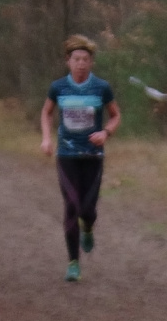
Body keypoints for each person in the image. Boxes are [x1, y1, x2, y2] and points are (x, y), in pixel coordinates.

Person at [40, 35, 120, 283]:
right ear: (68, 61)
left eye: (85, 59)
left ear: (91, 62)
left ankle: (88, 226)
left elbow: (115, 115)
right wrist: (46, 138)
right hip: (67, 155)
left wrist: (105, 133)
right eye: (76, 59)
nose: (81, 64)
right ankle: (73, 262)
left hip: (93, 156)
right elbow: (47, 112)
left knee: (87, 209)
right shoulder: (58, 87)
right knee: (72, 206)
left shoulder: (102, 87)